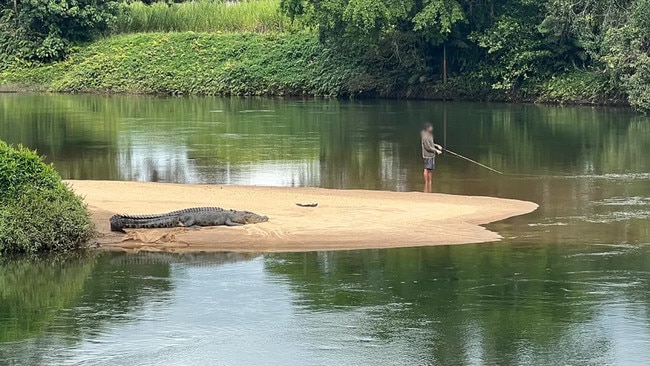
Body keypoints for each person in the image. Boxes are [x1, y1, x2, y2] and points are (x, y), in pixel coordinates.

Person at [421, 123, 442, 193]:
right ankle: (426, 183)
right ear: (427, 128)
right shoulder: (425, 137)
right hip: (427, 155)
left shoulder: (430, 135)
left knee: (430, 169)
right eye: (430, 127)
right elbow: (427, 147)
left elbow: (431, 144)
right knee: (427, 168)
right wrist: (436, 150)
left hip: (432, 155)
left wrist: (437, 146)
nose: (431, 128)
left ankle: (429, 182)